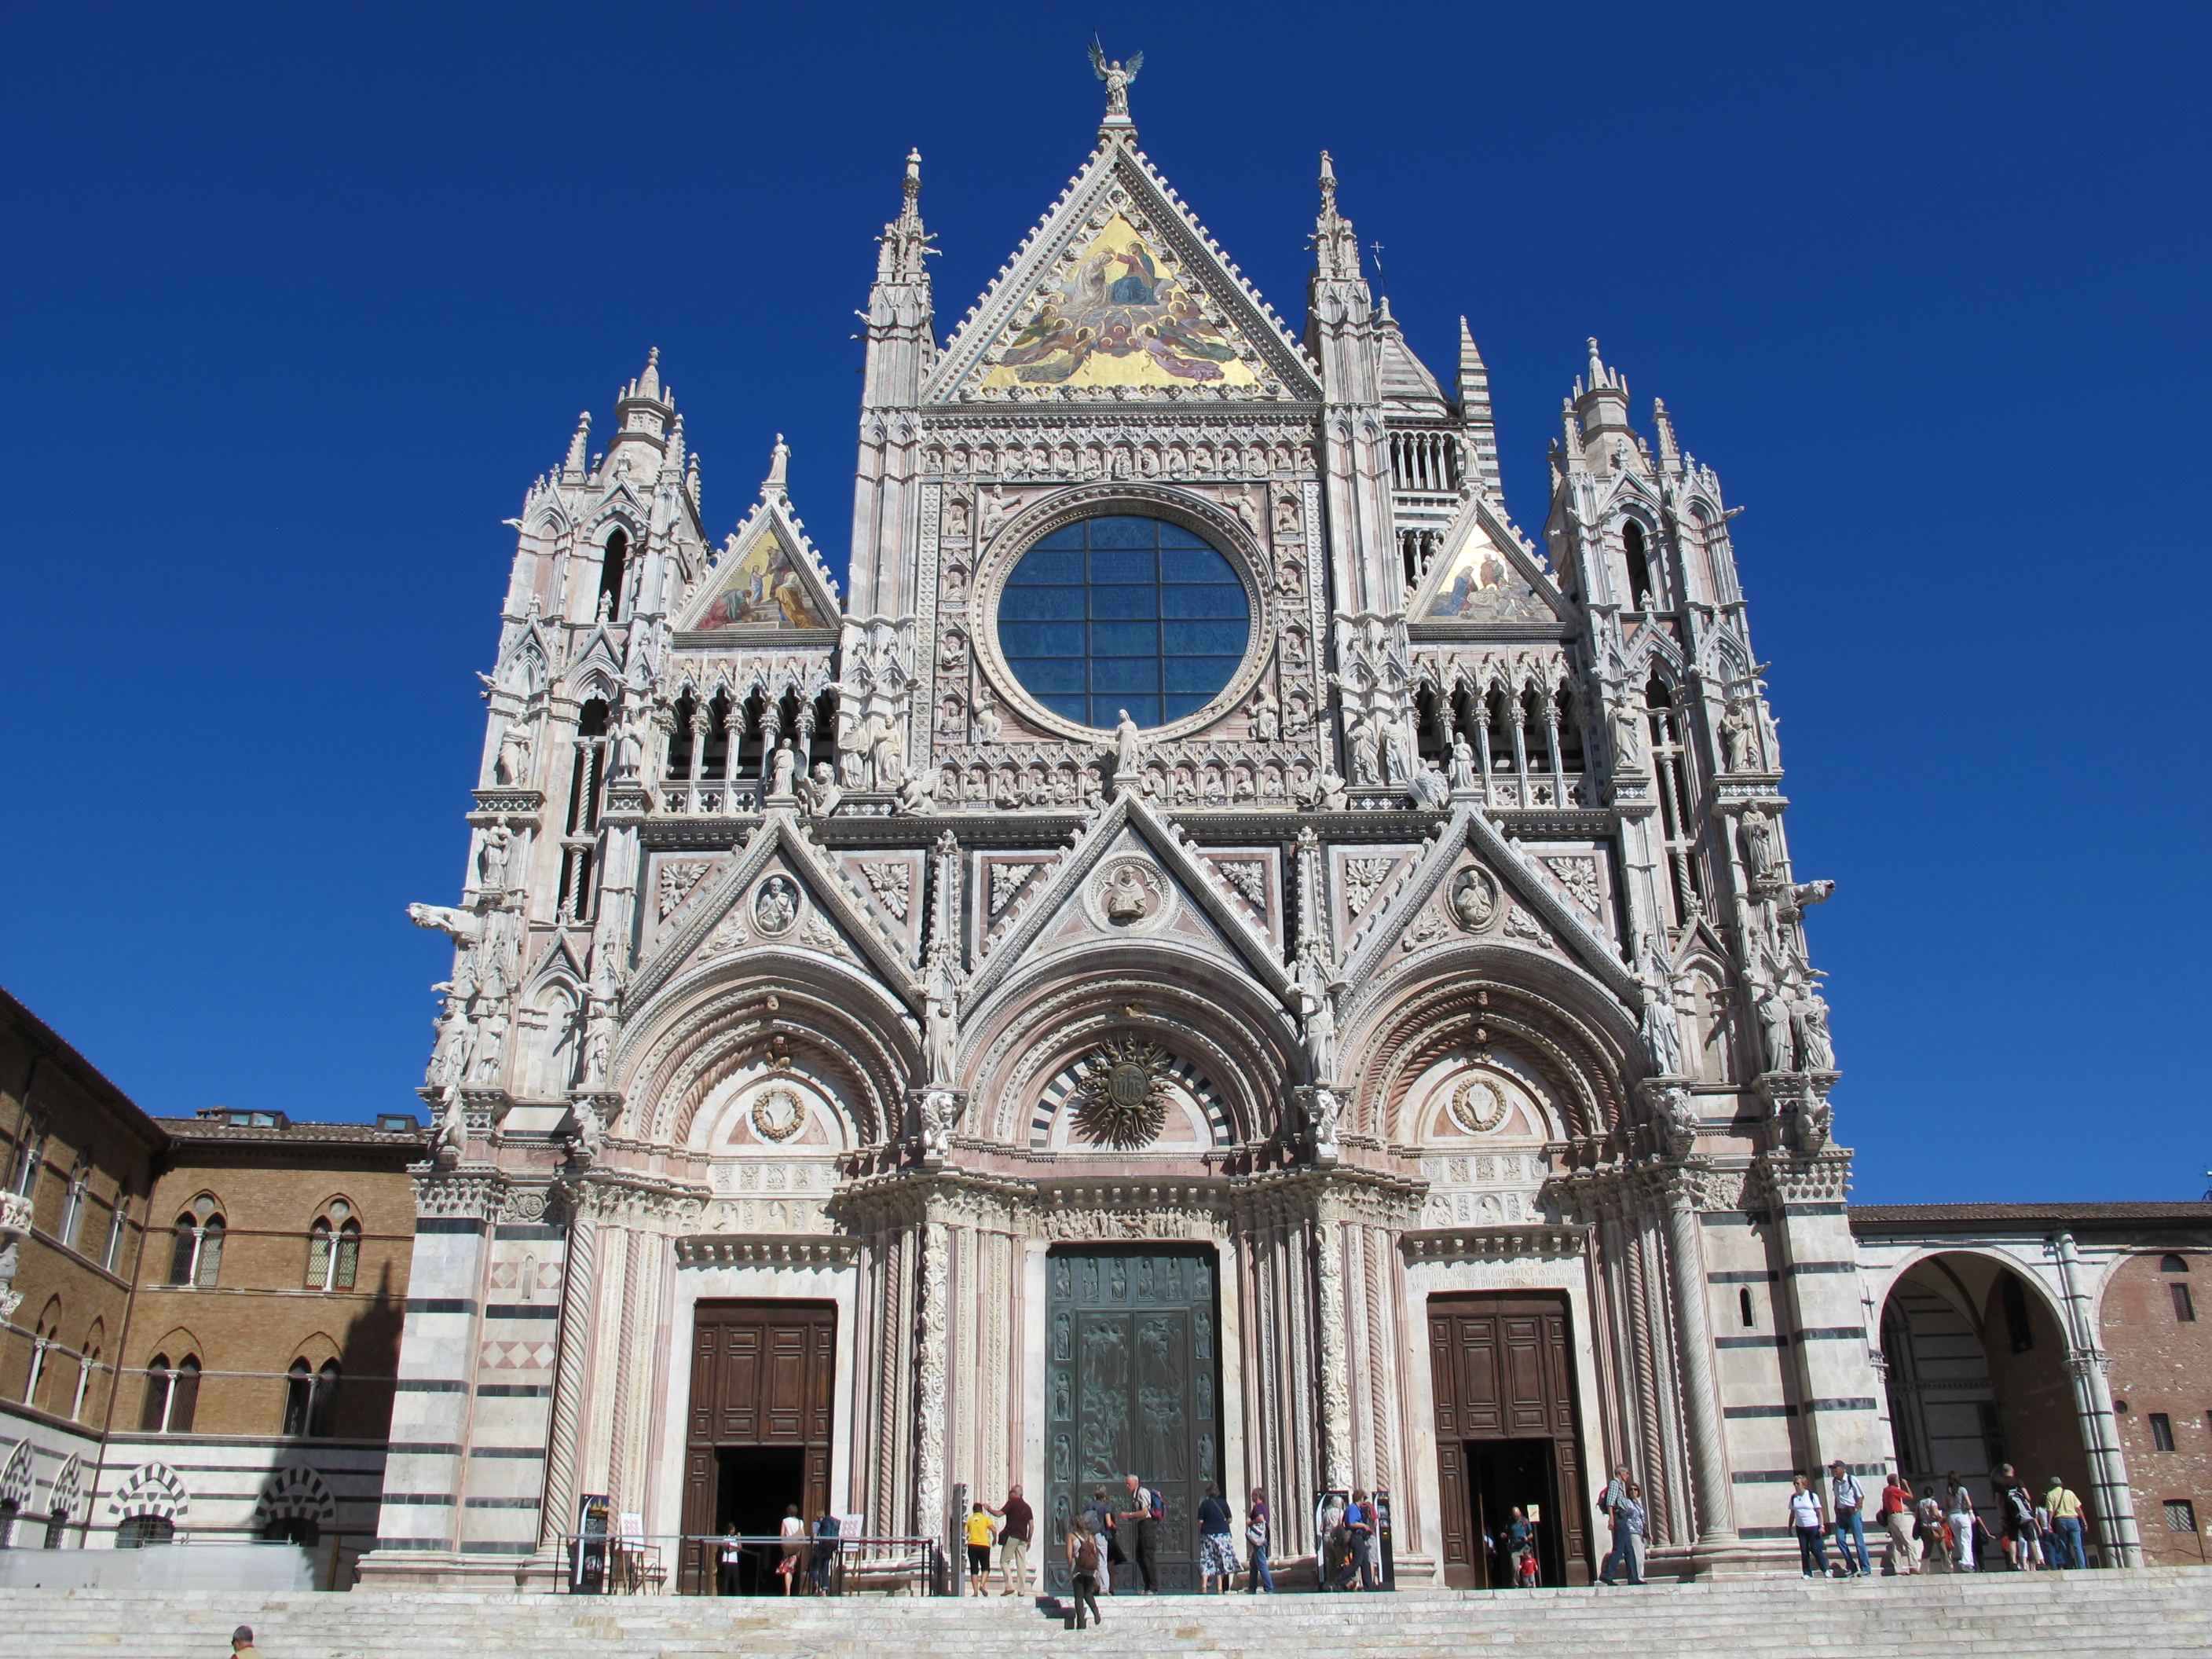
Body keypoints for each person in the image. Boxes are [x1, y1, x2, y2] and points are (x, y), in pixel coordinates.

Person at [987, 1483, 1033, 1598]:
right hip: (1023, 1538)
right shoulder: (1027, 1507)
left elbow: (998, 1514)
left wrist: (988, 1509)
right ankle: (1021, 1590)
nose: (1009, 1494)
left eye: (1011, 1492)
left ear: (1015, 1493)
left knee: (1004, 1561)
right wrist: (1029, 1540)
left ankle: (1009, 1586)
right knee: (1021, 1563)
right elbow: (1031, 1526)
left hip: (1013, 1536)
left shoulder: (1012, 1503)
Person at [1829, 1459, 1870, 1578]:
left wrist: (1856, 1509)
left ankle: (1866, 1568)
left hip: (1852, 1513)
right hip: (1841, 1515)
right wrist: (1836, 1509)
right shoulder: (1835, 1482)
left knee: (1859, 1541)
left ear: (1843, 1469)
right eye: (1833, 1469)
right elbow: (1837, 1497)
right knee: (1840, 1540)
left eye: (1835, 1469)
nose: (1834, 1471)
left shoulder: (1851, 1480)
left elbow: (1861, 1496)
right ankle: (1851, 1566)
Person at [1119, 1473, 1159, 1594]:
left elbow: (1144, 1512)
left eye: (1128, 1483)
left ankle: (1153, 1586)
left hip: (1147, 1525)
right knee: (1140, 1556)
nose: (1127, 1486)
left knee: (1148, 1555)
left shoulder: (1142, 1492)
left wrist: (1129, 1515)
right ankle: (1147, 1586)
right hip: (1141, 1526)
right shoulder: (1135, 1495)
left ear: (1136, 1483)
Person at [1196, 1481, 1237, 1593]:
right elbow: (1230, 1519)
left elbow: (1200, 1521)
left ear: (1208, 1492)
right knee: (1221, 1560)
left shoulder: (1205, 1504)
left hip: (1207, 1534)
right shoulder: (1223, 1503)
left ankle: (1204, 1586)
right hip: (1223, 1534)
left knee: (1206, 1558)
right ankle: (1220, 1587)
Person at [1333, 1488, 1378, 1590]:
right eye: (1363, 1498)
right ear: (1361, 1498)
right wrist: (1364, 1526)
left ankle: (1369, 1586)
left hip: (1360, 1538)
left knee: (1365, 1562)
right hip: (1356, 1537)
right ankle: (1339, 1580)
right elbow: (1352, 1523)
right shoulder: (1353, 1508)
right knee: (1356, 1563)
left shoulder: (1355, 1508)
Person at [1067, 1514, 1104, 1630]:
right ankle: (1095, 1611)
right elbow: (1094, 1552)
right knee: (1088, 1593)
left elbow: (1069, 1554)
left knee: (1078, 1596)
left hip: (1078, 1570)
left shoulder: (1071, 1536)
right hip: (1090, 1570)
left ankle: (1081, 1623)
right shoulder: (1090, 1536)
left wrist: (1070, 1566)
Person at [1788, 1474, 1829, 1579]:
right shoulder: (1794, 1498)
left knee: (1816, 1549)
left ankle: (1825, 1569)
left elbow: (1819, 1511)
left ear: (1804, 1484)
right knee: (1804, 1551)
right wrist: (1789, 1527)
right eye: (1795, 1484)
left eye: (1798, 1483)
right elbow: (1793, 1513)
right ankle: (1807, 1573)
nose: (1796, 1486)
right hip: (1800, 1528)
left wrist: (1822, 1525)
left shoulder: (1812, 1496)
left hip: (1813, 1526)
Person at [1595, 1464, 1632, 1584]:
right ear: (1621, 1473)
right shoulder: (1614, 1484)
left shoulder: (1620, 1485)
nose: (1628, 1476)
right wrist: (1611, 1518)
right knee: (1618, 1549)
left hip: (1623, 1517)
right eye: (1626, 1473)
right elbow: (1610, 1502)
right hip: (1619, 1517)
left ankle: (1633, 1577)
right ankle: (1607, 1575)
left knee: (1629, 1550)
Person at [1996, 1466, 2037, 1570]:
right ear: (2012, 1471)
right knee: (2031, 1538)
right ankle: (2038, 1562)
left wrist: (2002, 1516)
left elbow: (1998, 1501)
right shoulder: (2018, 1481)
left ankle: (2013, 1563)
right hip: (2023, 1514)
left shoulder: (1999, 1483)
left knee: (2013, 1538)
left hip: (2010, 1515)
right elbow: (2027, 1497)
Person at [1878, 1470, 1918, 1574]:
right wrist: (1906, 1484)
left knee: (1897, 1544)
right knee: (1909, 1541)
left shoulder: (1885, 1491)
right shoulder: (1894, 1490)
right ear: (1895, 1481)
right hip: (1898, 1516)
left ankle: (1898, 1568)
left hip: (1890, 1517)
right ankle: (1913, 1566)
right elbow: (1910, 1496)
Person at [1608, 1482, 1648, 1586]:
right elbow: (1621, 1513)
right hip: (1631, 1531)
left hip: (1640, 1532)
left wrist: (1646, 1532)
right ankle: (1636, 1576)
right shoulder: (1627, 1503)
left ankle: (1638, 1576)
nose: (1633, 1491)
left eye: (1635, 1489)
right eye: (1631, 1489)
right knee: (1636, 1553)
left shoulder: (1639, 1503)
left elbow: (1641, 1519)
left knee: (1641, 1554)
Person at [1084, 1485, 1122, 1595]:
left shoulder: (1088, 1506)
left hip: (1090, 1535)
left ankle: (1095, 1586)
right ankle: (1104, 1589)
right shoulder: (1106, 1507)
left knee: (1093, 1562)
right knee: (1102, 1561)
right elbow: (1109, 1523)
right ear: (1104, 1495)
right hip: (1101, 1535)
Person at [2046, 1475, 2086, 1569]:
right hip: (2074, 1520)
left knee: (2064, 1545)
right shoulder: (2070, 1493)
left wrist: (2049, 1523)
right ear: (2061, 1484)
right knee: (2078, 1546)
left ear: (2051, 1485)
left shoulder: (2050, 1494)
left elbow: (2050, 1511)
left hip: (2061, 1521)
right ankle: (2082, 1567)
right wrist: (2084, 1522)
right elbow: (2078, 1509)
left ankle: (2070, 1566)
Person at [1945, 1471, 1978, 1573]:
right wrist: (1970, 1511)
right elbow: (1969, 1504)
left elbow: (1947, 1506)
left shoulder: (1948, 1491)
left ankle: (1970, 1563)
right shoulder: (1962, 1489)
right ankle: (1965, 1562)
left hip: (1952, 1517)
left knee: (1960, 1542)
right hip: (1962, 1516)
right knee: (1967, 1541)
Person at [1245, 1485, 1275, 1593]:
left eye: (1253, 1495)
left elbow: (1261, 1518)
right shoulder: (1264, 1507)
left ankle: (1269, 1587)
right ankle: (1252, 1588)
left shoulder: (1257, 1507)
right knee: (1254, 1564)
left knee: (1261, 1563)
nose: (1251, 1497)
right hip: (1265, 1538)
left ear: (1257, 1495)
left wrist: (1251, 1522)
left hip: (1259, 1540)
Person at [964, 1502, 998, 1595]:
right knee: (986, 1567)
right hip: (984, 1545)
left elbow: (964, 1533)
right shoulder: (986, 1519)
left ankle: (975, 1592)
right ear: (982, 1511)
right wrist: (995, 1539)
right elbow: (994, 1530)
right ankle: (982, 1584)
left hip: (972, 1545)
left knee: (974, 1569)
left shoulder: (970, 1520)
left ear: (973, 1510)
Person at [810, 1508, 840, 1595]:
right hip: (829, 1547)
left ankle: (817, 1584)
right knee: (825, 1569)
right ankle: (825, 1590)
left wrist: (812, 1546)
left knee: (812, 1567)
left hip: (820, 1548)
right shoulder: (831, 1523)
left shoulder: (816, 1524)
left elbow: (815, 1537)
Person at [777, 1503, 805, 1595]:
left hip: (788, 1547)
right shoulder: (800, 1522)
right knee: (791, 1568)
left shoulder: (785, 1521)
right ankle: (788, 1591)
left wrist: (783, 1546)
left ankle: (788, 1591)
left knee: (786, 1569)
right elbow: (803, 1535)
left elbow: (782, 1534)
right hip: (796, 1547)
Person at [1504, 1507, 1535, 1587]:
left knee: (1528, 1566)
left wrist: (1527, 1538)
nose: (1517, 1517)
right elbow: (1506, 1533)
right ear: (1512, 1515)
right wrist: (1504, 1535)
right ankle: (1515, 1585)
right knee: (1515, 1568)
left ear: (1520, 1513)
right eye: (1515, 1516)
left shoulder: (1525, 1521)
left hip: (1525, 1548)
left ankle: (1528, 1584)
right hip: (1515, 1548)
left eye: (1518, 1515)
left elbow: (1531, 1534)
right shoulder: (1510, 1523)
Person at [717, 1522, 742, 1596]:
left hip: (735, 1561)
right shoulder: (725, 1538)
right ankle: (725, 1595)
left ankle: (739, 1595)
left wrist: (739, 1539)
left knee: (736, 1579)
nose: (733, 1531)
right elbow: (728, 1549)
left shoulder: (735, 1538)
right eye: (732, 1529)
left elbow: (740, 1548)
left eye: (734, 1529)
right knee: (726, 1580)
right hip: (727, 1561)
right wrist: (736, 1549)